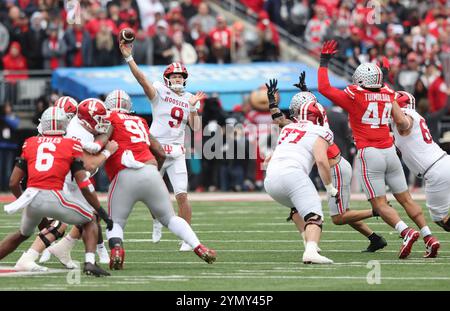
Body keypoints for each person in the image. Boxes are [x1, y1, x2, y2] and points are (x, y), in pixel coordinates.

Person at [318, 40, 439, 259]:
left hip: (370, 153)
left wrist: (324, 62)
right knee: (407, 199)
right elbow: (385, 93)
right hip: (390, 152)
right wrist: (383, 73)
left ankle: (406, 232)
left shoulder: (355, 96)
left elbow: (324, 88)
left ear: (361, 80)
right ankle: (429, 236)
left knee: (379, 204)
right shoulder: (388, 94)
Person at [267, 74, 387, 253]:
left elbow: (281, 121)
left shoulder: (311, 127)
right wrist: (303, 92)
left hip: (334, 168)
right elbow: (288, 118)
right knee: (302, 209)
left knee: (338, 217)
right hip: (334, 166)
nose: (293, 112)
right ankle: (374, 238)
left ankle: (378, 211)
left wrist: (273, 103)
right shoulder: (311, 121)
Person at [100, 88, 216, 269]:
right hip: (150, 171)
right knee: (170, 218)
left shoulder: (109, 119)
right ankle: (198, 246)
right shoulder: (140, 121)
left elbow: (100, 142)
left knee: (116, 221)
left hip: (124, 174)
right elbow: (160, 153)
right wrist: (155, 173)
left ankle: (116, 250)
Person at [0, 106, 113, 276]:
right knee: (90, 219)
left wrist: (25, 201)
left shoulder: (30, 142)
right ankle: (90, 263)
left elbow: (13, 181)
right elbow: (83, 184)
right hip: (55, 195)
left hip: (32, 196)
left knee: (22, 234)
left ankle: (35, 254)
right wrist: (101, 211)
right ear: (64, 125)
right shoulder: (71, 144)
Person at [119, 39, 205, 251]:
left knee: (182, 195)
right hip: (155, 151)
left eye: (180, 76)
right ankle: (157, 221)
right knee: (150, 192)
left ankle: (187, 238)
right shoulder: (159, 93)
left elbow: (196, 127)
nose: (177, 78)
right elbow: (142, 80)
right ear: (167, 78)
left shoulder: (191, 98)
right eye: (174, 75)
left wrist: (193, 108)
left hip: (176, 153)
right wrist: (129, 58)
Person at [26, 98, 117, 270]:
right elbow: (89, 164)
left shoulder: (79, 124)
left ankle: (65, 249)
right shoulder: (78, 133)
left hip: (62, 176)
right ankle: (31, 255)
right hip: (62, 179)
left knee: (88, 216)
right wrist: (107, 151)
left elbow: (103, 132)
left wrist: (99, 143)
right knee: (61, 223)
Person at [264, 93, 337, 264]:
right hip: (293, 175)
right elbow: (321, 160)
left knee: (297, 207)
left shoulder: (289, 128)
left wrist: (272, 103)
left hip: (271, 179)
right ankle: (311, 250)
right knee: (314, 215)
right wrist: (329, 187)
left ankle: (307, 240)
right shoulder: (322, 131)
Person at [391, 90, 449, 254]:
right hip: (444, 163)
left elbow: (404, 124)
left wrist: (390, 99)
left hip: (435, 172)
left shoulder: (406, 114)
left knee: (440, 219)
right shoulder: (416, 116)